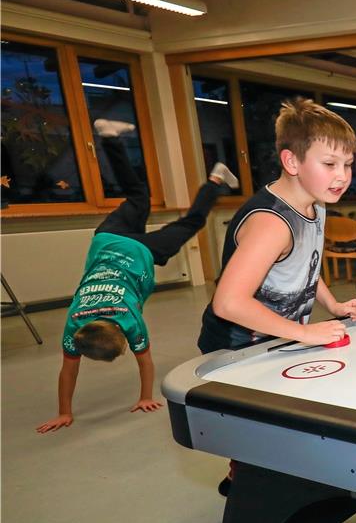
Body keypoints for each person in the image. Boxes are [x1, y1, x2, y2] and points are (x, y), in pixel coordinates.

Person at [198, 99, 356, 497]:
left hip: (279, 336)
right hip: (240, 347)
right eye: (330, 164)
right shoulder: (272, 223)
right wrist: (305, 334)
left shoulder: (315, 203)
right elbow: (229, 302)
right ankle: (246, 484)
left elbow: (305, 265)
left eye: (348, 165)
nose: (342, 176)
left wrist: (333, 304)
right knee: (259, 439)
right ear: (292, 161)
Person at [37, 119, 239, 433]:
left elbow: (137, 363)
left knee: (191, 223)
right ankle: (109, 138)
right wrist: (64, 410)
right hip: (107, 239)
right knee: (138, 198)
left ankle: (215, 179)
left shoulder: (130, 320)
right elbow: (69, 369)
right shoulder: (74, 321)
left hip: (142, 251)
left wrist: (145, 396)